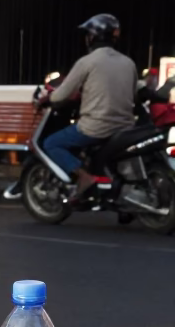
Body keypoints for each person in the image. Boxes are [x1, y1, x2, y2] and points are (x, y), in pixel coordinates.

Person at [39, 14, 136, 199]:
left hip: (95, 128)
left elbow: (61, 94)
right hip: (125, 128)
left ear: (92, 37)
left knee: (51, 143)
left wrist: (49, 98)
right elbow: (133, 95)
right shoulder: (128, 62)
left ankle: (84, 177)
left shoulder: (87, 61)